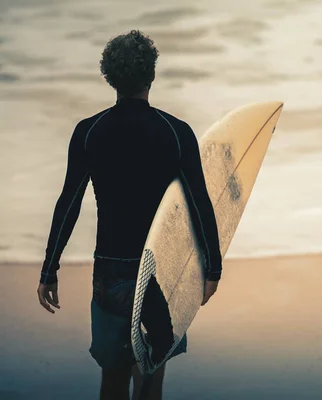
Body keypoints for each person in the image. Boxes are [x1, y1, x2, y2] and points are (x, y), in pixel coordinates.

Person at [35, 30, 222, 400]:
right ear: (151, 74)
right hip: (160, 269)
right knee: (151, 377)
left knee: (113, 377)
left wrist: (49, 269)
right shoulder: (176, 132)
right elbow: (200, 205)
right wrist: (212, 268)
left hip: (111, 271)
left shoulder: (90, 132)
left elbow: (68, 203)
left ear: (109, 76)